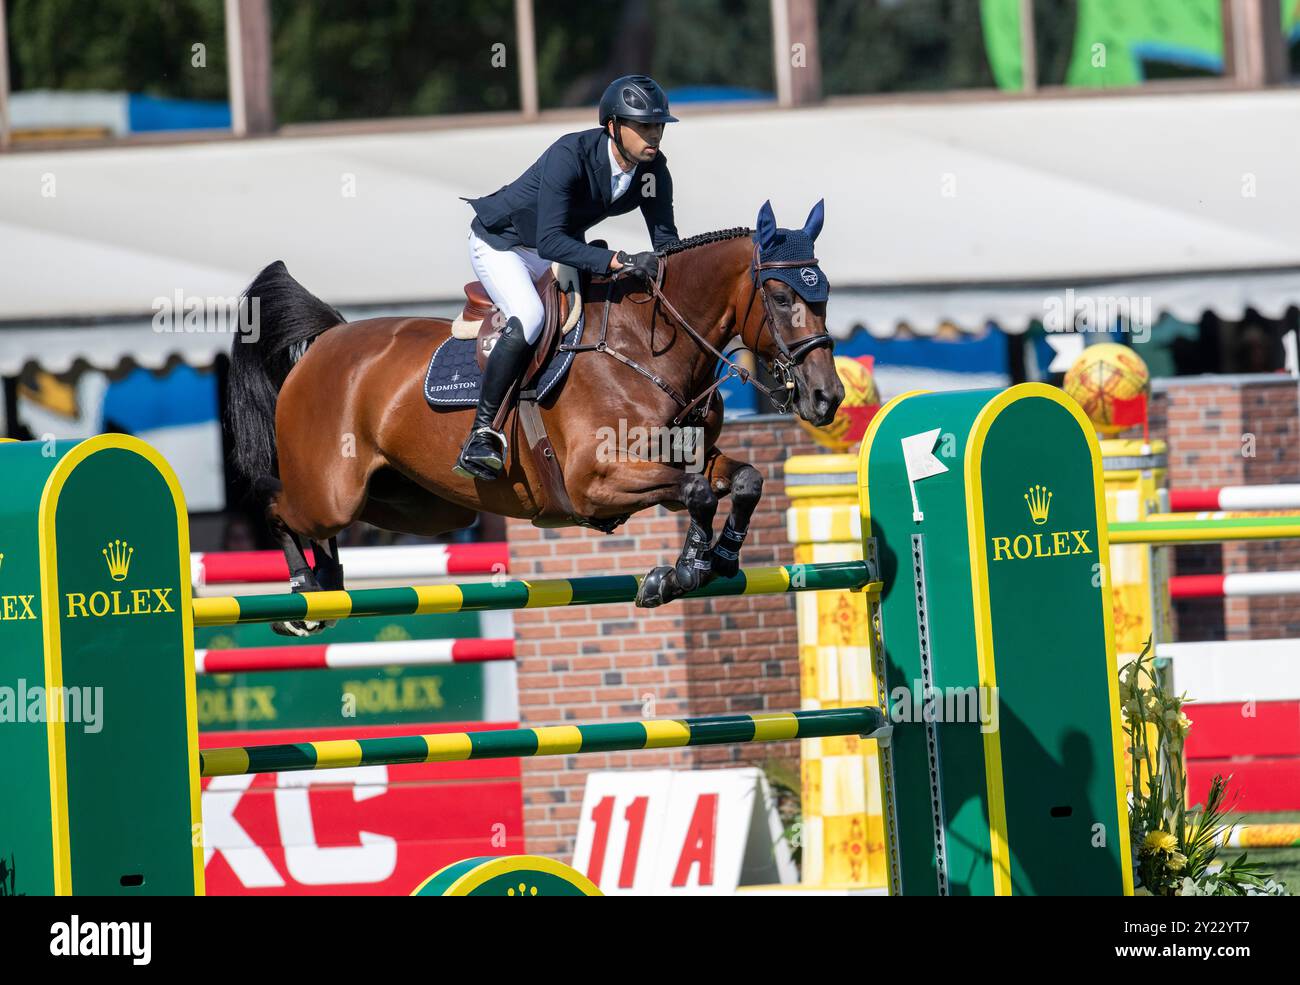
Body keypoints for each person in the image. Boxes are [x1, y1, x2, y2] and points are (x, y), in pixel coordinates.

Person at [454, 74, 681, 481]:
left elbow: (667, 243)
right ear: (613, 126)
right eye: (643, 125)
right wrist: (618, 260)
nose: (655, 134)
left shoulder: (653, 171)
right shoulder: (569, 155)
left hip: (553, 245)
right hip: (504, 244)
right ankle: (481, 434)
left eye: (658, 125)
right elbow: (552, 242)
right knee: (531, 317)